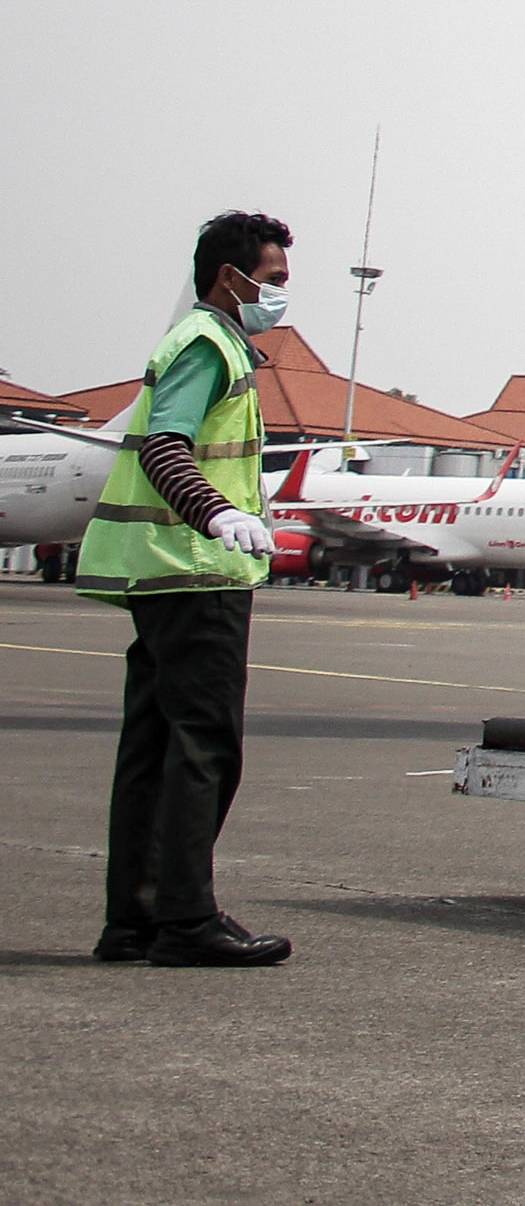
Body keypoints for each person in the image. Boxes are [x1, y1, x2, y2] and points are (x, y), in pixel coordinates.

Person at [83, 210, 297, 967]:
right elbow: (164, 447)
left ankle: (134, 919)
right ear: (229, 277)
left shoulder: (204, 342)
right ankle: (186, 918)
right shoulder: (209, 345)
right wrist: (221, 514)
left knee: (152, 745)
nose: (281, 293)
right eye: (272, 279)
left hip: (162, 570)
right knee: (205, 746)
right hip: (195, 570)